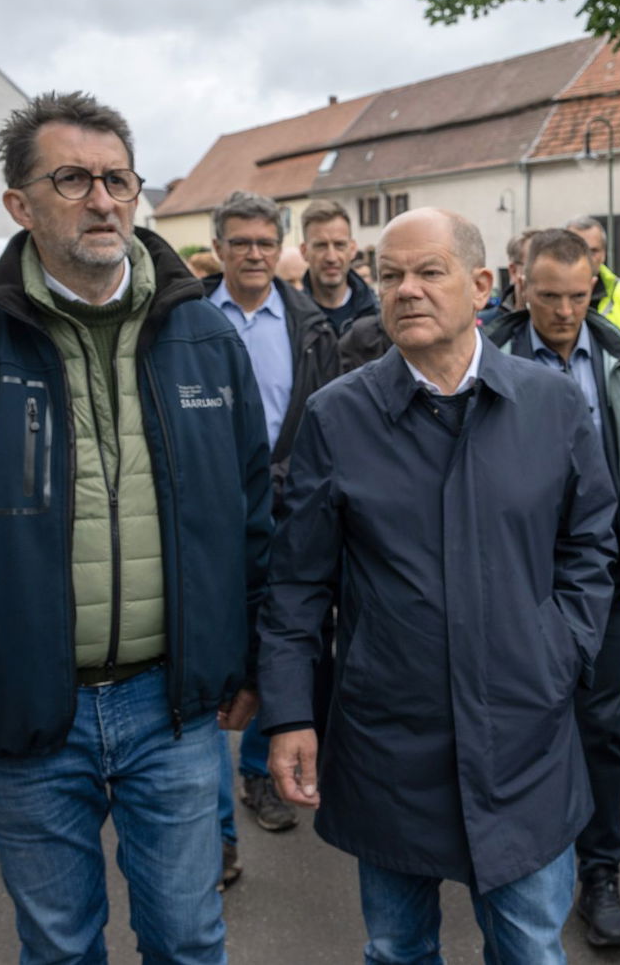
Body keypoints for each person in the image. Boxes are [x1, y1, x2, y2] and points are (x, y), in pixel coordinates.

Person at [0, 91, 274, 964]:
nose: (103, 199)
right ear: (20, 204)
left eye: (118, 178)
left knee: (190, 939)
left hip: (177, 709)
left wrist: (256, 663)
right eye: (72, 179)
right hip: (26, 713)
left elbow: (252, 516)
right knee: (59, 946)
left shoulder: (202, 337)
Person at [260, 207, 618, 964]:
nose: (407, 290)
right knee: (397, 948)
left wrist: (557, 652)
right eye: (390, 275)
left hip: (525, 734)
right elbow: (296, 585)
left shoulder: (550, 404)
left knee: (528, 947)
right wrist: (291, 714)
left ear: (483, 285)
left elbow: (589, 544)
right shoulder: (338, 417)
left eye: (430, 272)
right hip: (390, 737)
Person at [483, 228, 620, 947]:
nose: (562, 312)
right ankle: (521, 864)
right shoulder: (485, 356)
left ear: (598, 287)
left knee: (600, 729)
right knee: (520, 721)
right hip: (511, 574)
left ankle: (601, 872)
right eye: (547, 296)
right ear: (519, 285)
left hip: (603, 574)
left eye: (578, 296)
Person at [201, 190, 339, 880]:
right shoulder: (187, 320)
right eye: (239, 242)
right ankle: (215, 830)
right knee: (202, 665)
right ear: (219, 246)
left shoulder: (311, 324)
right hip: (206, 518)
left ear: (280, 245)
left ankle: (260, 770)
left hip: (288, 513)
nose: (253, 253)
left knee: (279, 643)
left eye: (263, 241)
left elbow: (323, 422)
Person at [567, 215, 620, 353]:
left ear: (604, 254)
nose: (586, 257)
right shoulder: (548, 295)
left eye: (593, 251)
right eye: (577, 249)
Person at [301, 199, 377, 335]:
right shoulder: (291, 319)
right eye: (321, 246)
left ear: (353, 249)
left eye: (339, 245)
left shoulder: (378, 315)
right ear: (304, 251)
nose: (331, 257)